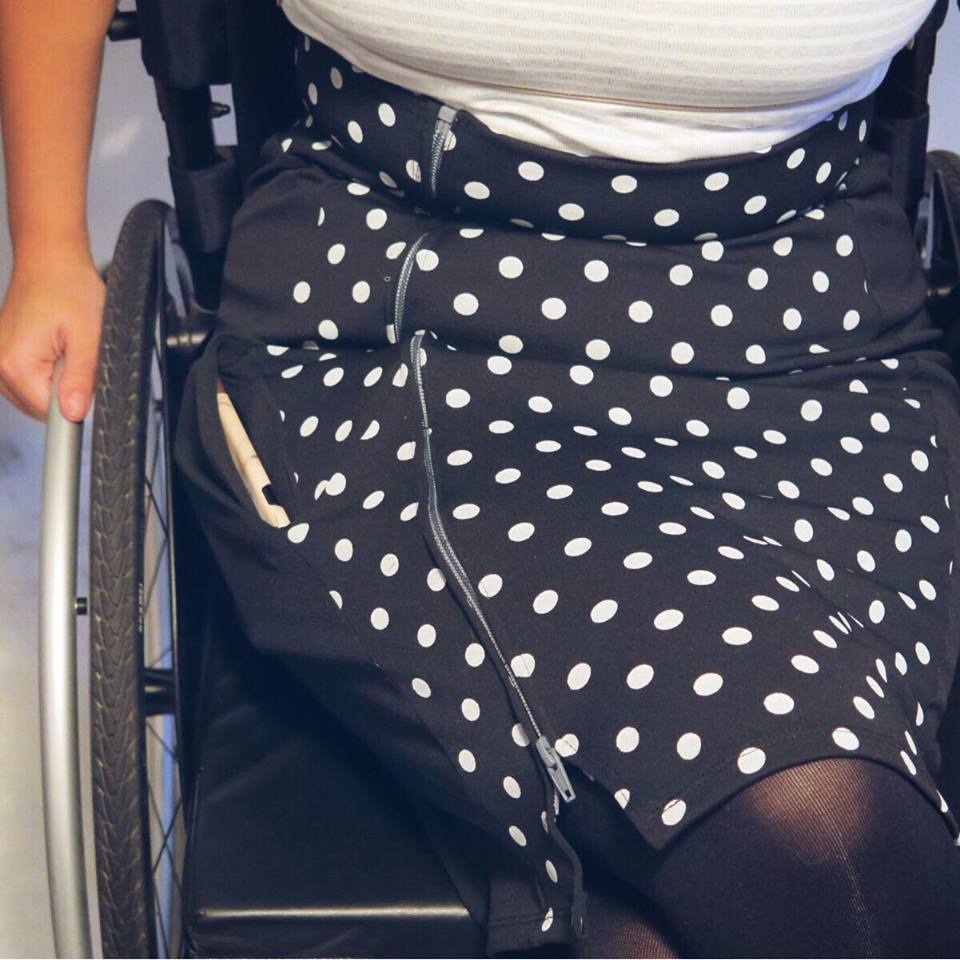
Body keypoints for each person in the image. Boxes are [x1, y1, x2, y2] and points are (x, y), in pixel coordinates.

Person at [4, 2, 960, 957]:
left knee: (817, 840)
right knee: (824, 837)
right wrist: (48, 249)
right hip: (416, 299)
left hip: (813, 323)